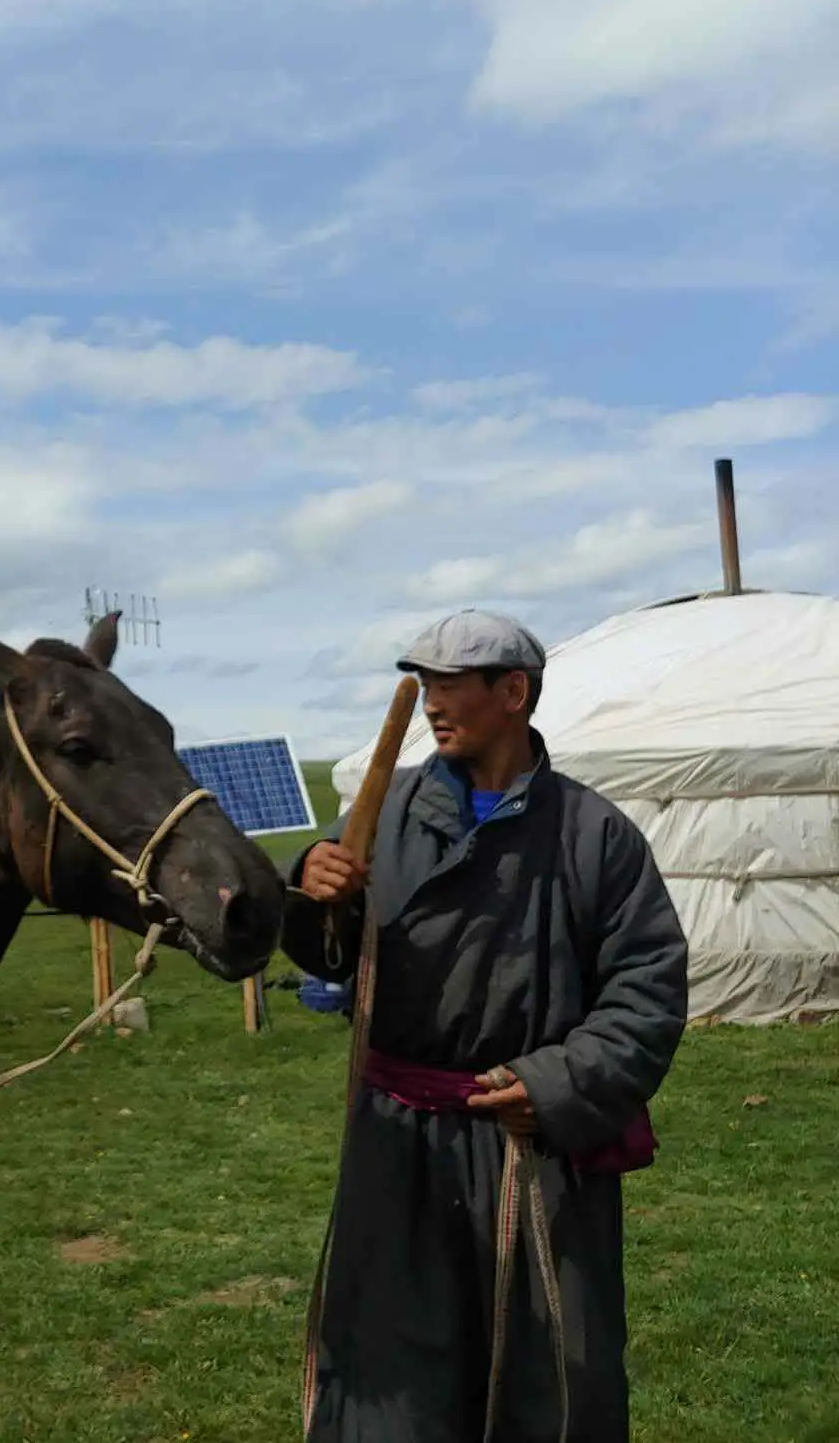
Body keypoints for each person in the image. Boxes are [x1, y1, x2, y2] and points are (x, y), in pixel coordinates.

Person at [284, 610, 687, 1443]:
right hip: (397, 1148)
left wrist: (555, 1084)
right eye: (423, 685)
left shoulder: (593, 834)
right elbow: (328, 957)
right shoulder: (384, 814)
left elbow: (646, 988)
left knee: (548, 1375)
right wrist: (313, 891)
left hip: (530, 1150)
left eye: (450, 686)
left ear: (514, 691)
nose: (430, 703)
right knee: (391, 1378)